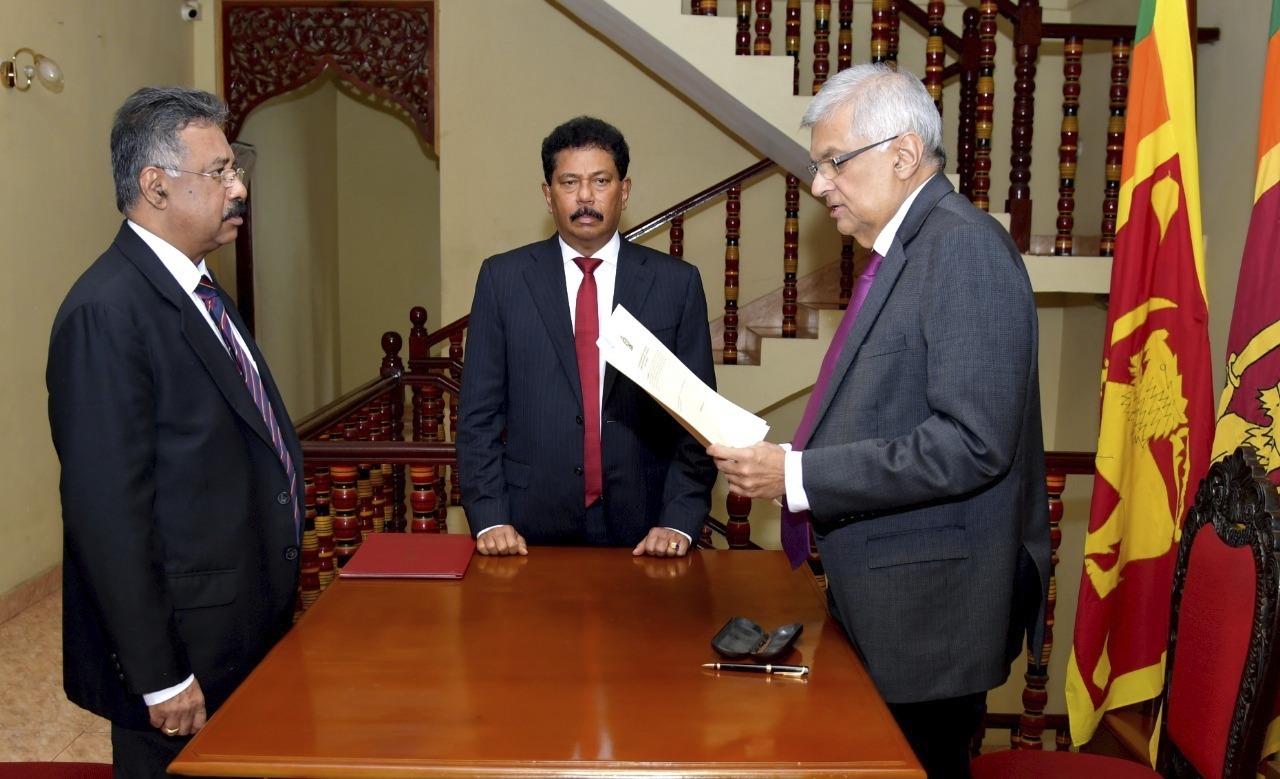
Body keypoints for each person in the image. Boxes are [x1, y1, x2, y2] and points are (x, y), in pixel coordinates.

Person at [708, 64, 1051, 778]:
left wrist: (797, 473)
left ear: (901, 154)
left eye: (833, 162)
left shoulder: (962, 249)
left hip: (931, 618)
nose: (818, 183)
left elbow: (972, 443)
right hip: (890, 601)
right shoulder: (909, 252)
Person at [46, 87, 302, 777]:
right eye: (219, 171)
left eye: (234, 166)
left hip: (241, 633)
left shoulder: (201, 291)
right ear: (155, 186)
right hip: (181, 659)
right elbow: (108, 516)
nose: (239, 186)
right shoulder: (108, 311)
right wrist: (159, 675)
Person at [457, 116, 717, 558]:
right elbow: (478, 417)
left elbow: (697, 420)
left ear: (624, 190)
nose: (585, 197)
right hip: (525, 528)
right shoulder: (502, 280)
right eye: (569, 182)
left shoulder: (676, 284)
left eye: (600, 181)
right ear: (547, 193)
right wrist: (491, 517)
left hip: (647, 527)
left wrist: (678, 519)